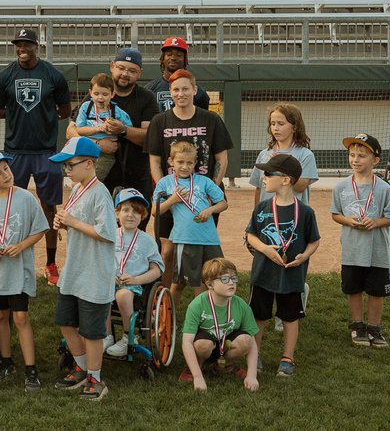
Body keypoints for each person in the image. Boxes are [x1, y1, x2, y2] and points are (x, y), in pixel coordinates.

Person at [0, 28, 71, 285]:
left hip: (46, 151)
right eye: (18, 44)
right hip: (15, 151)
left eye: (27, 44)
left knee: (49, 207)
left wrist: (43, 118)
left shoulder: (53, 75)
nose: (22, 48)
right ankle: (10, 256)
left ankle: (50, 263)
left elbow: (65, 109)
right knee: (11, 205)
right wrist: (20, 116)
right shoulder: (4, 76)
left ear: (37, 45)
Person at [0, 150, 49, 391]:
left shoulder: (26, 198)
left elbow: (41, 229)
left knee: (20, 317)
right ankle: (6, 361)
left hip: (18, 269)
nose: (6, 175)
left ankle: (31, 369)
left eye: (6, 168)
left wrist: (22, 246)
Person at [50, 137, 118, 402]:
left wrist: (73, 222)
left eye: (70, 165)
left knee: (91, 331)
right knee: (66, 322)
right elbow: (80, 223)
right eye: (65, 166)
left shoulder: (99, 193)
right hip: (74, 271)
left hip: (93, 274)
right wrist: (66, 223)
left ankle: (96, 379)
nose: (67, 171)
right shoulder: (78, 188)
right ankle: (81, 367)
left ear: (89, 164)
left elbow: (107, 233)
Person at [245, 153, 321, 378]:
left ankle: (287, 358)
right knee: (258, 314)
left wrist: (304, 256)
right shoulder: (262, 207)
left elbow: (314, 241)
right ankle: (254, 354)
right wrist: (265, 249)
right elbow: (251, 236)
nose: (263, 177)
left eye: (268, 173)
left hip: (291, 275)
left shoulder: (305, 212)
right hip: (263, 273)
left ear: (286, 180)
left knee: (290, 316)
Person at [331, 132, 390, 348]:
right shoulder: (341, 187)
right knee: (353, 288)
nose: (355, 160)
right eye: (352, 155)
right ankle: (358, 325)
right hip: (351, 250)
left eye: (361, 155)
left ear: (375, 160)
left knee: (376, 291)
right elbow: (335, 214)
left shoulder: (383, 188)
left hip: (376, 251)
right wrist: (348, 221)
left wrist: (376, 222)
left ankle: (375, 328)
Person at [156, 140, 228, 305]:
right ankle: (169, 317)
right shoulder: (165, 183)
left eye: (189, 163)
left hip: (209, 239)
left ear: (195, 163)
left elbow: (223, 203)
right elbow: (155, 211)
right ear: (170, 161)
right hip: (185, 239)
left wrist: (210, 210)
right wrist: (172, 199)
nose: (184, 166)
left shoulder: (204, 181)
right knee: (180, 282)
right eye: (180, 162)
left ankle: (208, 318)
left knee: (215, 278)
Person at [179, 258, 260, 392]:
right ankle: (195, 367)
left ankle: (224, 366)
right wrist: (198, 377)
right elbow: (187, 342)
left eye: (234, 278)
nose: (231, 283)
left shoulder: (241, 305)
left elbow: (252, 342)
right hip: (205, 345)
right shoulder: (197, 305)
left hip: (226, 345)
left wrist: (252, 376)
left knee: (246, 340)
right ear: (210, 285)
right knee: (202, 344)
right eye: (224, 279)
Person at [104, 188, 163, 357]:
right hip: (110, 282)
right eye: (126, 210)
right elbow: (100, 261)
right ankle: (106, 336)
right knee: (101, 291)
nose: (131, 215)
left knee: (122, 295)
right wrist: (108, 275)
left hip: (135, 288)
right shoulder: (109, 236)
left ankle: (128, 337)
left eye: (136, 212)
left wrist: (136, 279)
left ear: (143, 216)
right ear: (117, 213)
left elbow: (157, 270)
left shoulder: (147, 241)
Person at [104, 48, 159, 202]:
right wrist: (98, 143)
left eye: (132, 71)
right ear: (112, 66)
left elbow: (149, 136)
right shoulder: (100, 92)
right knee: (102, 224)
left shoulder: (146, 97)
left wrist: (123, 130)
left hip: (137, 174)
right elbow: (71, 130)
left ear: (139, 73)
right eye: (121, 68)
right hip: (103, 173)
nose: (125, 74)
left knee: (137, 221)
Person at [66, 73, 132, 183]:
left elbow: (128, 128)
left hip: (105, 155)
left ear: (112, 94)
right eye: (96, 93)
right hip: (85, 152)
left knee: (93, 181)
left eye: (105, 94)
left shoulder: (116, 111)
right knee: (78, 182)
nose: (100, 97)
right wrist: (97, 129)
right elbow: (79, 130)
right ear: (90, 93)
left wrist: (117, 126)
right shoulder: (86, 107)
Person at [248, 103, 318, 206]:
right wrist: (257, 215)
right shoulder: (264, 154)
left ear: (294, 127)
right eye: (272, 123)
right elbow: (259, 188)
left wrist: (281, 167)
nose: (276, 128)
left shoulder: (305, 155)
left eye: (281, 124)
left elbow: (301, 187)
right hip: (267, 216)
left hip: (293, 216)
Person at [145, 37, 210, 112]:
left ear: (185, 59)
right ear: (163, 58)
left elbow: (203, 120)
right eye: (169, 54)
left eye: (179, 55)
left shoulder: (199, 93)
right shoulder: (150, 89)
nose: (173, 58)